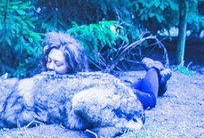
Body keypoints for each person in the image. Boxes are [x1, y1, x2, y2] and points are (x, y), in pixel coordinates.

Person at [41, 31, 171, 110]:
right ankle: (159, 82)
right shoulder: (50, 78)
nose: (50, 67)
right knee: (139, 85)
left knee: (149, 100)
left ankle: (153, 68)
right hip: (114, 88)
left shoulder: (79, 82)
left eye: (58, 63)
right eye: (49, 60)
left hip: (112, 91)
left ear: (71, 66)